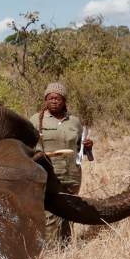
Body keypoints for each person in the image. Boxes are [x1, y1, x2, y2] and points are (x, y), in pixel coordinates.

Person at [28, 82, 93, 244]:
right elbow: (27, 146)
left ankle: (66, 247)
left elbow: (79, 149)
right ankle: (51, 250)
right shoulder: (36, 120)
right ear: (45, 100)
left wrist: (87, 147)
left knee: (69, 210)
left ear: (64, 101)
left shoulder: (74, 122)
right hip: (48, 174)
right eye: (50, 98)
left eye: (58, 98)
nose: (54, 101)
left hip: (72, 174)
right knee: (49, 212)